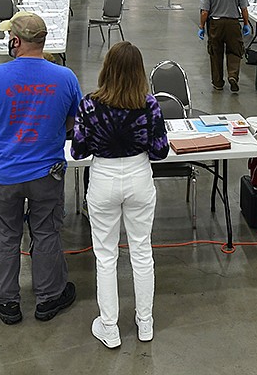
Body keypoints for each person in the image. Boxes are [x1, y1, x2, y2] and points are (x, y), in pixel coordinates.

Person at [0, 11, 83, 324]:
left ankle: (5, 301)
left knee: (6, 235)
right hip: (47, 172)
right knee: (46, 231)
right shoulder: (65, 77)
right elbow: (74, 121)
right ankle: (50, 297)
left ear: (15, 41)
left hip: (5, 174)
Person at [71, 41, 169, 349]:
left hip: (104, 178)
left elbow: (77, 150)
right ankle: (145, 323)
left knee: (105, 255)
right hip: (139, 176)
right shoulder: (149, 104)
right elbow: (160, 150)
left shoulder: (89, 104)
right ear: (139, 71)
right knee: (142, 252)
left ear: (106, 68)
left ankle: (110, 327)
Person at [199, 0, 251, 92]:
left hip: (216, 23)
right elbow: (244, 8)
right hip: (233, 23)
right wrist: (245, 24)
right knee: (235, 50)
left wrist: (201, 26)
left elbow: (205, 11)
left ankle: (218, 83)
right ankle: (233, 76)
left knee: (215, 52)